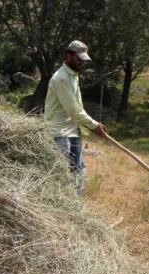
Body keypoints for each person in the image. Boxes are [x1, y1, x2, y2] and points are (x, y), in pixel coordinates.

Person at [44, 40, 108, 195]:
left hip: (73, 130)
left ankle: (77, 207)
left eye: (84, 60)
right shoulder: (61, 78)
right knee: (61, 173)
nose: (82, 63)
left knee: (77, 170)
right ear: (69, 56)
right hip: (59, 132)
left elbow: (77, 108)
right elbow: (73, 110)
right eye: (79, 59)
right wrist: (93, 125)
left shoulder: (73, 76)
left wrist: (91, 125)